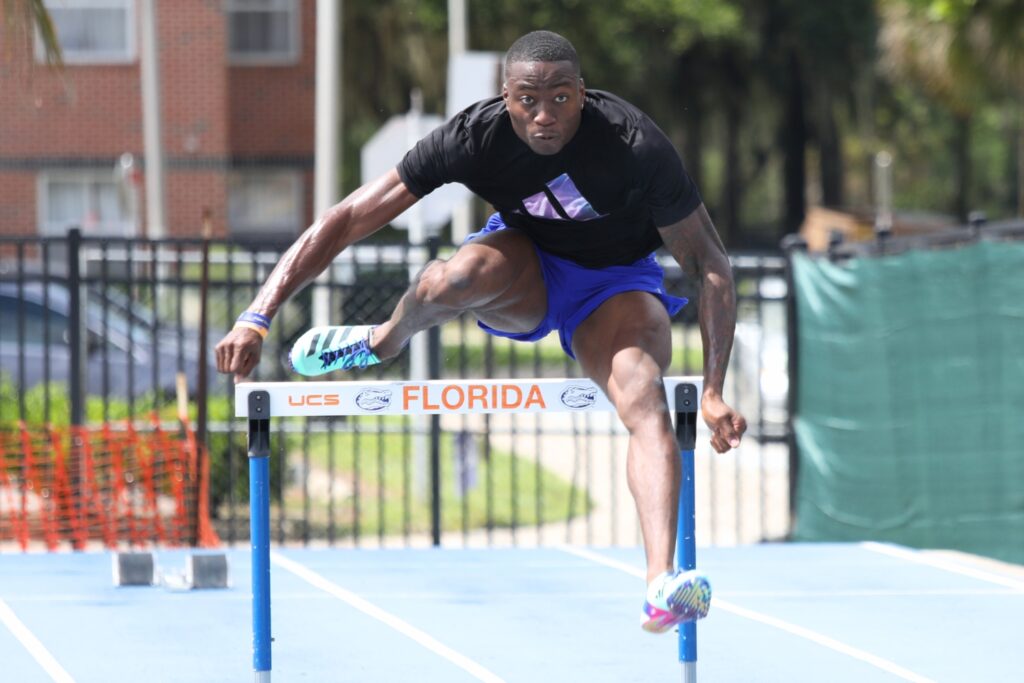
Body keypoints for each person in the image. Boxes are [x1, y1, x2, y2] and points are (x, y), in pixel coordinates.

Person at [216, 29, 746, 634]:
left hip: (616, 287)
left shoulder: (635, 143)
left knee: (644, 394)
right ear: (505, 97)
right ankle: (381, 342)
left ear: (582, 92)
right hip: (526, 269)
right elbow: (346, 219)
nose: (545, 116)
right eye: (528, 100)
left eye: (560, 99)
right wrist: (258, 312)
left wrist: (711, 388)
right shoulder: (474, 136)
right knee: (453, 278)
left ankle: (660, 584)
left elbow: (710, 265)